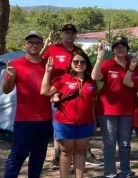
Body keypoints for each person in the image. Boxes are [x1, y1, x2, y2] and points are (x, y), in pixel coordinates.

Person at [0, 32, 54, 178]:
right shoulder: (16, 64)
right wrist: (11, 77)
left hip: (44, 118)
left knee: (39, 152)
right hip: (24, 118)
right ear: (25, 45)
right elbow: (6, 90)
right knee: (18, 153)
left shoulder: (47, 65)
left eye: (37, 42)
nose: (34, 45)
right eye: (31, 42)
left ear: (41, 44)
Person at [41, 24, 102, 169]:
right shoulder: (53, 49)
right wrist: (45, 46)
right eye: (66, 32)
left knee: (82, 124)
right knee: (61, 126)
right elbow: (39, 62)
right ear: (61, 34)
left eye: (72, 33)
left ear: (75, 35)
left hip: (79, 91)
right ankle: (57, 157)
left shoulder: (78, 51)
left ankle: (86, 154)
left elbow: (90, 72)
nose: (69, 35)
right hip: (57, 93)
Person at [40, 49, 97, 178]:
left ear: (87, 64)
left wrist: (94, 122)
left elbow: (92, 103)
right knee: (66, 152)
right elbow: (45, 91)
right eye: (76, 62)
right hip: (64, 121)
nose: (79, 64)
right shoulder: (64, 78)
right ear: (71, 63)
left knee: (80, 150)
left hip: (85, 122)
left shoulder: (91, 81)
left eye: (82, 62)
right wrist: (47, 72)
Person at [92, 36, 138, 178]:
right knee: (109, 144)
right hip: (107, 110)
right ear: (113, 49)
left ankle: (126, 174)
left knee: (125, 144)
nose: (120, 48)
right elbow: (95, 77)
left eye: (123, 46)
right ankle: (110, 176)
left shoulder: (134, 65)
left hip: (127, 110)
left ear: (127, 48)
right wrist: (100, 58)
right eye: (117, 46)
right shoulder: (107, 64)